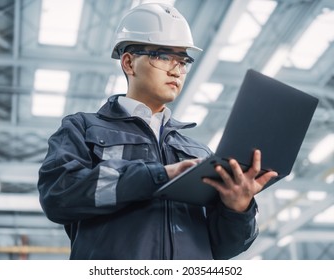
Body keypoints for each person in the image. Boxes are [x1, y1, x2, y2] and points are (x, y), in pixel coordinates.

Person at [37, 3, 278, 260]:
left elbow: (223, 249)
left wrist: (238, 208)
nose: (176, 70)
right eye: (164, 57)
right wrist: (159, 176)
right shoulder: (82, 129)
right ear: (129, 63)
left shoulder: (199, 153)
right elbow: (58, 195)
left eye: (183, 61)